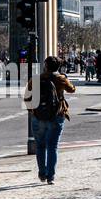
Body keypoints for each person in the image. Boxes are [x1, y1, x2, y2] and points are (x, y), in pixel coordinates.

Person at [23, 54, 75, 184]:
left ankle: (42, 173)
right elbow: (72, 89)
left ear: (45, 66)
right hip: (56, 115)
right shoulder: (60, 79)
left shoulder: (35, 79)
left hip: (38, 116)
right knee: (52, 146)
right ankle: (50, 176)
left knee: (40, 146)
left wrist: (33, 111)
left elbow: (26, 97)